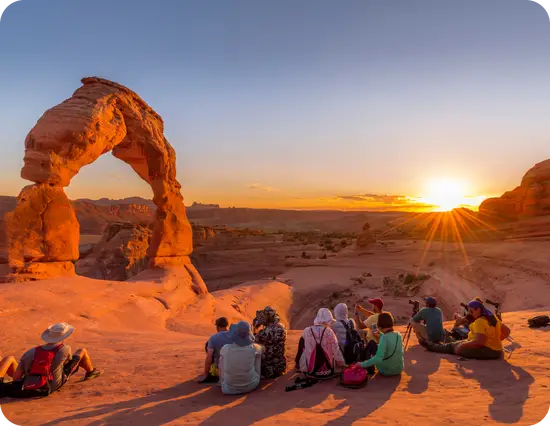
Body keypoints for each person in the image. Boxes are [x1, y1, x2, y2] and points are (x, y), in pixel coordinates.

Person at [13, 323, 102, 395]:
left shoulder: (30, 352)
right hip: (54, 385)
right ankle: (91, 372)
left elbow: (16, 376)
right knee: (82, 351)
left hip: (30, 385)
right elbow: (68, 363)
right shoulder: (64, 349)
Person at [421, 300, 510, 360]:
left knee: (453, 347)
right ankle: (432, 345)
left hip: (487, 351)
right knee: (455, 343)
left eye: (472, 311)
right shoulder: (492, 317)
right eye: (469, 312)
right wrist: (495, 341)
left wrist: (463, 346)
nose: (471, 314)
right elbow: (507, 331)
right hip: (496, 351)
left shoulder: (480, 321)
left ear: (478, 309)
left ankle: (431, 346)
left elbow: (480, 341)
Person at [297, 308, 345, 378]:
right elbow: (336, 350)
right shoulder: (329, 332)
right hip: (328, 371)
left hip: (311, 371)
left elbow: (302, 348)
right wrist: (342, 364)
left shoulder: (306, 331)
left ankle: (301, 366)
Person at [219, 321, 263, 395]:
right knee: (258, 355)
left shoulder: (225, 348)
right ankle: (256, 376)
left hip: (228, 389)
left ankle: (222, 381)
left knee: (221, 359)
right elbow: (262, 349)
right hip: (251, 386)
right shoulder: (254, 348)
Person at [253, 306, 286, 379]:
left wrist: (254, 328)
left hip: (269, 369)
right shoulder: (282, 328)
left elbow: (254, 341)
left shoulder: (264, 332)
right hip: (280, 366)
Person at [198, 317, 233, 383]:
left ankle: (212, 374)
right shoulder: (234, 336)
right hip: (234, 369)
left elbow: (209, 357)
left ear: (218, 326)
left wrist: (205, 374)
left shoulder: (213, 338)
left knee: (208, 345)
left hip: (220, 370)